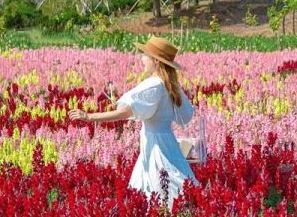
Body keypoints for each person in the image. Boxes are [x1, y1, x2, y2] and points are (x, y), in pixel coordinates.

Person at [68, 36, 199, 206]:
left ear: (156, 62)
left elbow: (124, 112)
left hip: (156, 146)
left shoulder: (154, 85)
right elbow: (186, 116)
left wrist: (89, 117)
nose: (142, 59)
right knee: (167, 184)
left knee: (159, 187)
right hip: (167, 141)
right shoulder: (171, 85)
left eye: (145, 55)